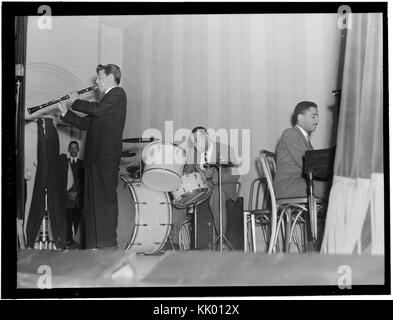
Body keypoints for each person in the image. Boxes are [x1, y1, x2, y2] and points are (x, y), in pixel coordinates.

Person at [57, 64, 127, 249]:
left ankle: (107, 244)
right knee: (91, 204)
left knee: (104, 200)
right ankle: (94, 245)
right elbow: (85, 123)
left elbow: (95, 109)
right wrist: (66, 112)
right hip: (94, 158)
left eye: (100, 77)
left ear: (112, 77)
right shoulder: (104, 105)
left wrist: (76, 101)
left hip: (106, 157)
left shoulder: (117, 94)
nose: (96, 81)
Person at [168, 127, 240, 249]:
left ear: (207, 137)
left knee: (217, 195)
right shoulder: (193, 153)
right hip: (202, 189)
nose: (195, 144)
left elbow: (235, 175)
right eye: (193, 142)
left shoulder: (225, 149)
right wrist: (181, 170)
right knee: (182, 197)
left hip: (222, 187)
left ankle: (221, 241)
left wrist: (215, 176)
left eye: (197, 140)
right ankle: (173, 242)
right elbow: (188, 172)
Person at [274, 101, 331, 199]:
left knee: (335, 185)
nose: (317, 120)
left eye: (317, 116)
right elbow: (306, 164)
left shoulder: (303, 137)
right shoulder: (290, 134)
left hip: (299, 182)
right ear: (300, 118)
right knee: (333, 187)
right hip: (288, 185)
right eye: (313, 116)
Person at [64, 141, 84, 249]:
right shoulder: (64, 163)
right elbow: (62, 181)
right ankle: (68, 243)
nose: (73, 150)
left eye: (75, 148)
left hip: (78, 199)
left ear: (78, 150)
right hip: (67, 200)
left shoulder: (83, 163)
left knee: (78, 222)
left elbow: (83, 181)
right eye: (71, 148)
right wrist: (68, 194)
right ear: (68, 149)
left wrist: (77, 193)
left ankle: (78, 244)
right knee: (67, 222)